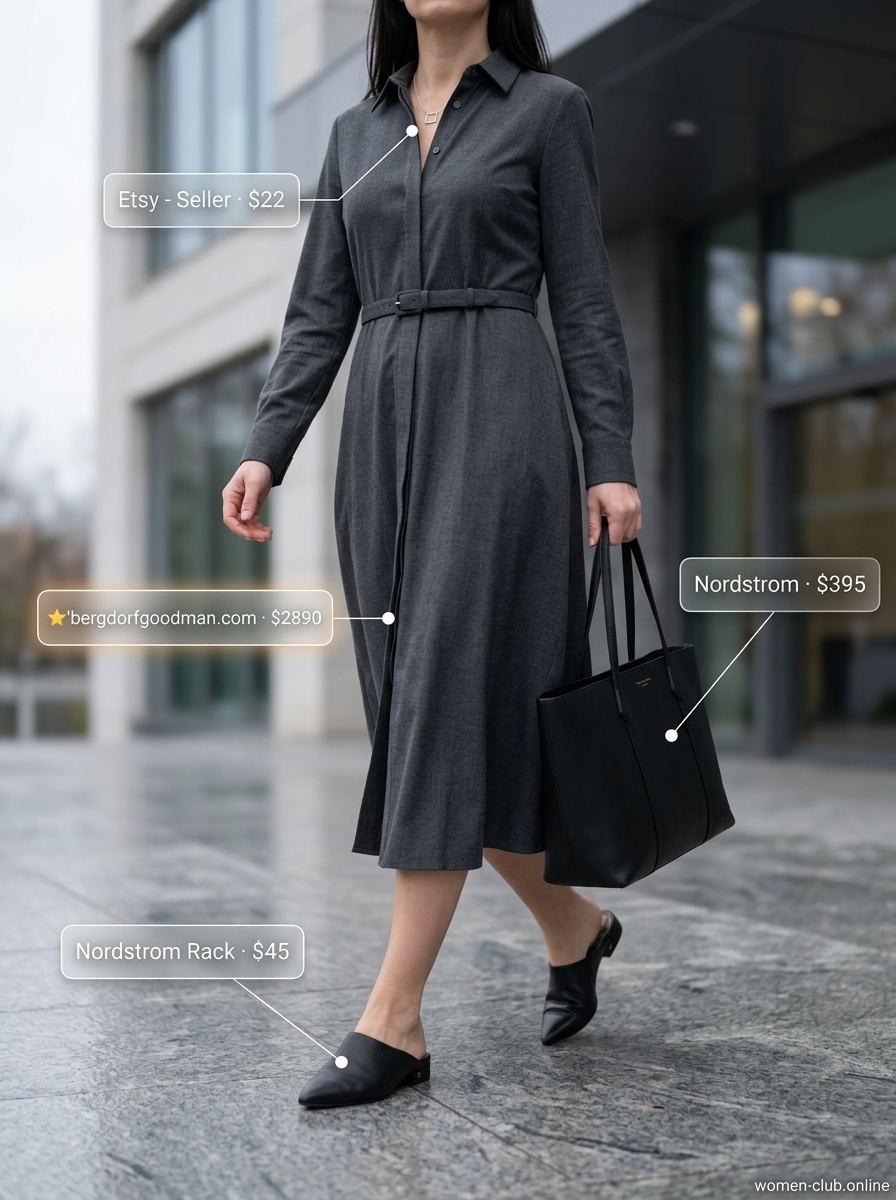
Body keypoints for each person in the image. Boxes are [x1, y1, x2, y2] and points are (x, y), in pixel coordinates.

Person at [222, 0, 641, 1109]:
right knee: (430, 718)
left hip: (500, 422)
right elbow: (319, 309)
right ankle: (575, 926)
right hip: (379, 440)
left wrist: (609, 457)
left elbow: (584, 297)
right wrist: (268, 447)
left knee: (444, 706)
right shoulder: (354, 132)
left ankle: (392, 1022)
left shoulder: (548, 111)